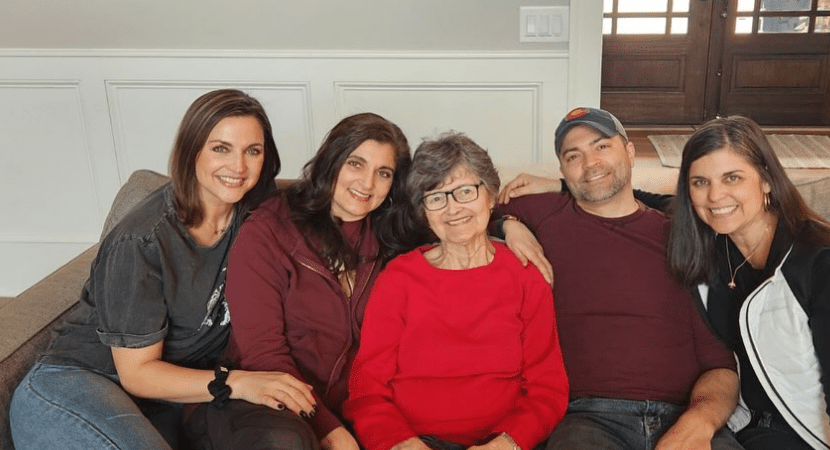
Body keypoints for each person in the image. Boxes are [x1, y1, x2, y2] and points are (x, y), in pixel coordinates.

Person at [9, 89, 286, 450]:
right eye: (221, 148)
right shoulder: (142, 241)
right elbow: (137, 373)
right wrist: (237, 382)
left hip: (163, 400)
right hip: (79, 384)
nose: (239, 167)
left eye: (253, 151)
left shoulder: (257, 215)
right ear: (191, 153)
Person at [496, 107, 742, 450]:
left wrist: (699, 422)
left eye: (601, 147)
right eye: (574, 156)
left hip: (687, 415)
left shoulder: (682, 233)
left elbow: (719, 362)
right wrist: (507, 224)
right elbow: (466, 209)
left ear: (629, 151)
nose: (590, 162)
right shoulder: (547, 214)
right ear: (564, 169)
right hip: (586, 418)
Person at [190, 112, 414, 450]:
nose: (367, 184)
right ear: (331, 161)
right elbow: (262, 354)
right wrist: (329, 430)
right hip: (262, 402)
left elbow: (459, 216)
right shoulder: (269, 231)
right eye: (355, 164)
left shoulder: (389, 233)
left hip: (356, 409)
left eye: (383, 173)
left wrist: (508, 225)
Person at [344, 132, 569, 450]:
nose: (453, 209)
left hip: (503, 443)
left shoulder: (525, 275)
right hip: (414, 442)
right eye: (436, 197)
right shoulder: (399, 278)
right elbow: (367, 389)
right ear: (424, 212)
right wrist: (401, 443)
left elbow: (548, 389)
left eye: (465, 191)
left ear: (490, 196)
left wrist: (507, 443)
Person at [664, 116, 830, 450]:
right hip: (741, 424)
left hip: (803, 433)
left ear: (767, 179)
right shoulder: (712, 243)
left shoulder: (817, 261)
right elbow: (643, 200)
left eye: (732, 177)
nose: (715, 196)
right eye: (700, 182)